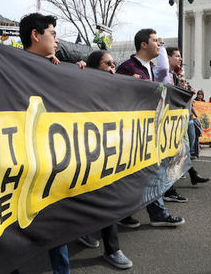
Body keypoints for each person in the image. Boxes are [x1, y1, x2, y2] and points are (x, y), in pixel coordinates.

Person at [19, 12, 71, 274]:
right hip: (20, 161)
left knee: (56, 222)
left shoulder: (55, 67)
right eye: (52, 34)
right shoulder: (9, 66)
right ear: (35, 36)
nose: (57, 40)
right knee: (14, 227)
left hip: (50, 161)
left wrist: (77, 74)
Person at [116, 28, 185, 227]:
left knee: (152, 171)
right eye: (155, 41)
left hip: (149, 131)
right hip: (131, 132)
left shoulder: (151, 68)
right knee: (133, 175)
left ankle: (155, 213)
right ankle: (134, 214)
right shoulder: (127, 68)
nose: (159, 44)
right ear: (144, 44)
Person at [77, 49, 133, 269]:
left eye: (114, 64)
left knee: (106, 194)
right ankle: (111, 249)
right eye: (107, 63)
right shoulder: (82, 83)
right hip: (87, 151)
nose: (113, 68)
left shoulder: (116, 87)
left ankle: (95, 237)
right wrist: (76, 71)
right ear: (93, 66)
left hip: (110, 151)